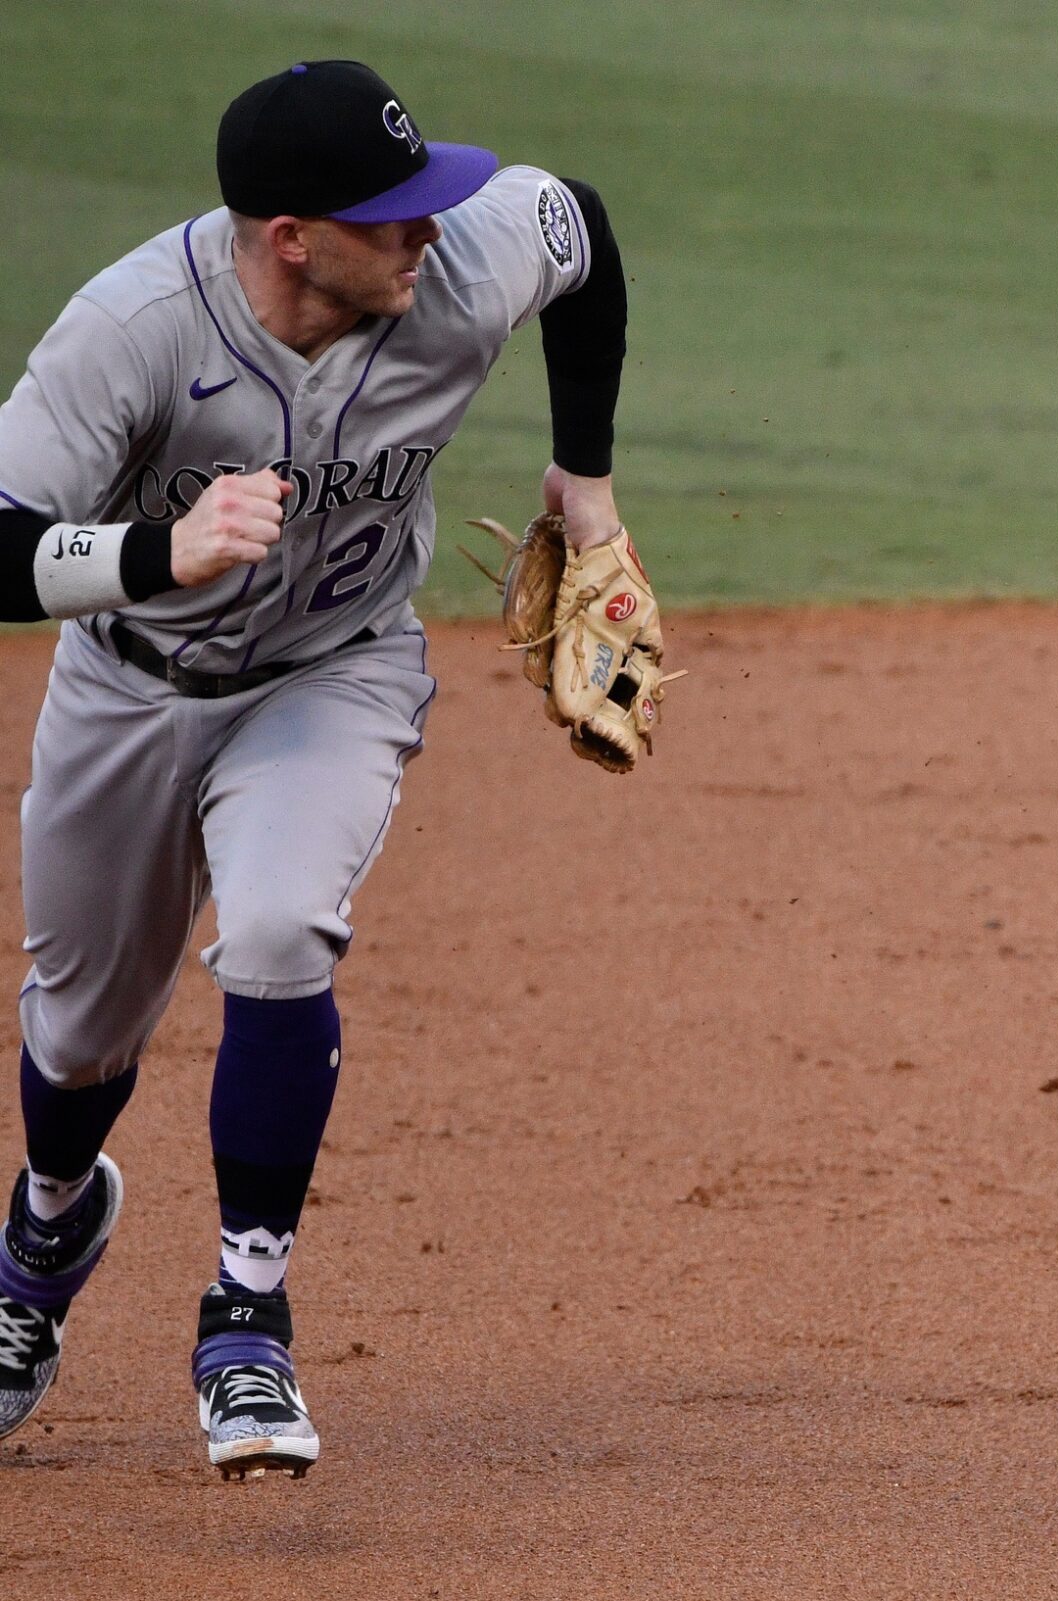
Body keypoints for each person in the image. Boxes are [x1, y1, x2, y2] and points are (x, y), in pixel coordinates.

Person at [0, 58, 646, 1478]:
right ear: (291, 236)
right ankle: (44, 1232)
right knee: (76, 1036)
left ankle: (247, 1316)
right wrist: (156, 552)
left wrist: (581, 478)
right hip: (128, 687)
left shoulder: (461, 261)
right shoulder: (133, 329)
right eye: (392, 215)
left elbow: (581, 230)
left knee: (284, 928)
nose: (429, 232)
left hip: (333, 674)